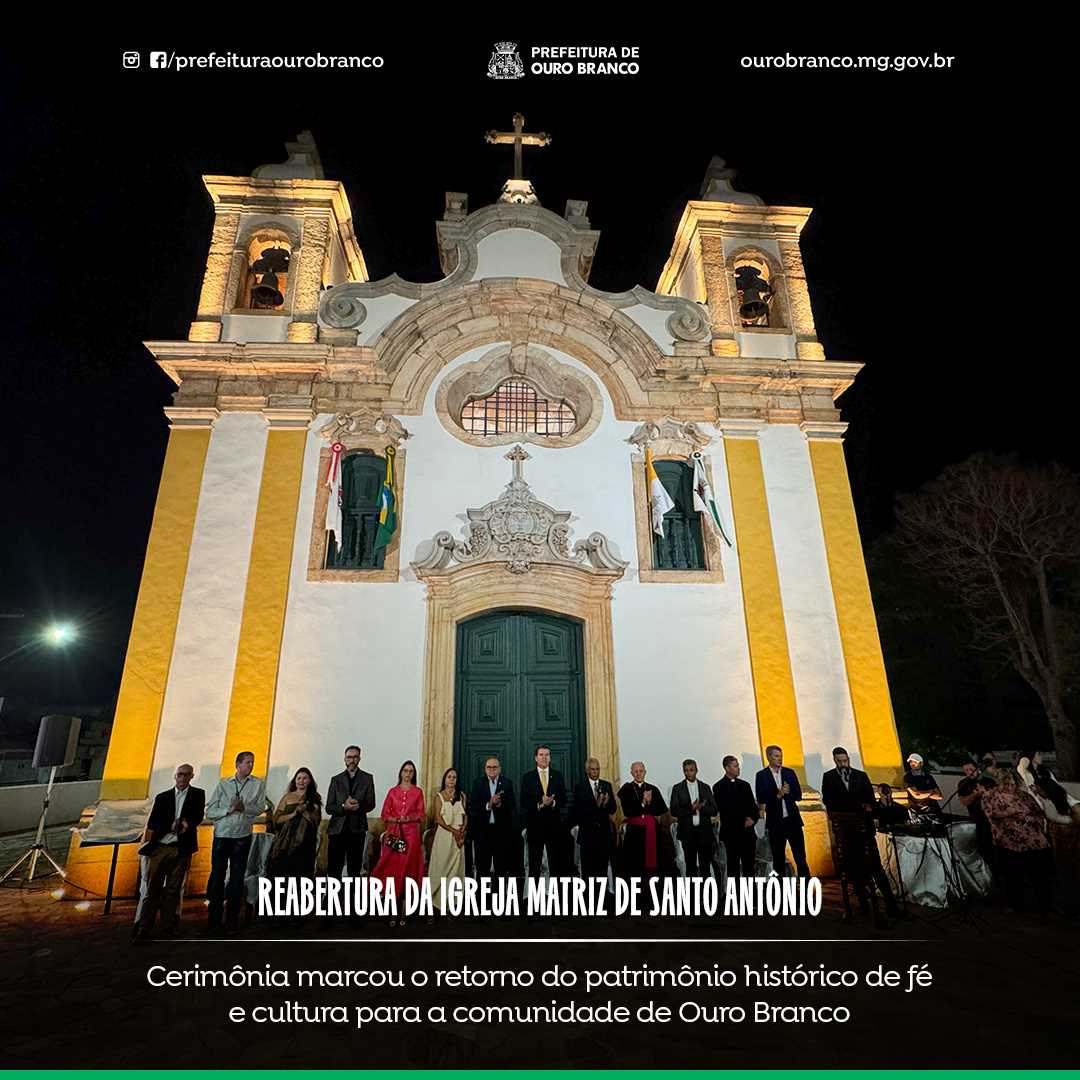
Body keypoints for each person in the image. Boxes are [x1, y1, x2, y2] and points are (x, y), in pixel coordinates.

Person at [820, 747, 899, 917]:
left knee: (875, 866)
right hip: (845, 832)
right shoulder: (829, 777)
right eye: (840, 761)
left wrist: (865, 808)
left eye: (845, 760)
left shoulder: (861, 776)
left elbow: (870, 800)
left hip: (864, 829)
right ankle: (863, 904)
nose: (843, 764)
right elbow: (828, 801)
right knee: (853, 869)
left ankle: (891, 904)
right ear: (835, 761)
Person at [132, 763, 205, 942]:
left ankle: (168, 926)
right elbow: (153, 822)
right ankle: (144, 927)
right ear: (175, 776)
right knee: (152, 889)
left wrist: (188, 824)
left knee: (173, 889)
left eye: (187, 775)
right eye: (180, 774)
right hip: (161, 847)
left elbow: (198, 816)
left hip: (182, 848)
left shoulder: (198, 794)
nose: (182, 778)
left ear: (191, 776)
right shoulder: (163, 797)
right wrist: (169, 826)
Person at [205, 750, 266, 932]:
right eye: (247, 762)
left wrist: (244, 807)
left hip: (242, 835)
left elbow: (260, 808)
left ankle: (232, 920)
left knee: (237, 878)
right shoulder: (224, 784)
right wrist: (228, 810)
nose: (250, 765)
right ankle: (214, 921)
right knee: (217, 876)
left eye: (252, 762)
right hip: (223, 835)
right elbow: (210, 811)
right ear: (237, 765)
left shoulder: (257, 784)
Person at [979, 768, 1054, 914]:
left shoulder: (1024, 796)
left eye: (1012, 784)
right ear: (999, 783)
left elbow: (1038, 814)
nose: (1010, 787)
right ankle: (1016, 906)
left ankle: (1046, 906)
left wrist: (1024, 818)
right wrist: (1008, 813)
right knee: (1013, 877)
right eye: (1006, 784)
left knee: (1040, 876)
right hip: (1009, 843)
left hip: (1034, 841)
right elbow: (991, 816)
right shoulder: (990, 796)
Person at [372, 760, 426, 926]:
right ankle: (392, 912)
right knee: (392, 872)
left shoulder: (418, 792)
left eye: (411, 771)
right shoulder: (392, 792)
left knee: (407, 873)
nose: (408, 774)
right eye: (405, 770)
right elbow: (384, 814)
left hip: (411, 836)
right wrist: (396, 819)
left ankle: (403, 912)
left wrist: (408, 818)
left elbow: (421, 813)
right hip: (394, 836)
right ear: (401, 773)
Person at [755, 745, 810, 878]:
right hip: (776, 824)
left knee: (801, 857)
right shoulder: (762, 776)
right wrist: (777, 795)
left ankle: (807, 887)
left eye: (781, 756)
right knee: (778, 859)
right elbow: (761, 798)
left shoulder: (789, 773)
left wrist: (789, 792)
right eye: (776, 756)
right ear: (768, 757)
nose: (780, 759)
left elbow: (798, 795)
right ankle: (782, 890)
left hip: (793, 821)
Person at [326, 745, 376, 879]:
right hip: (337, 830)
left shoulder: (367, 778)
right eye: (349, 757)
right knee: (334, 868)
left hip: (357, 829)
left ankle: (352, 898)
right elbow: (329, 807)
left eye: (355, 757)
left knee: (354, 868)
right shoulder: (335, 780)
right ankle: (331, 898)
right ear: (344, 759)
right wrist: (343, 806)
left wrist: (358, 806)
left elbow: (371, 804)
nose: (352, 760)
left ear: (359, 758)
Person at [521, 745, 569, 881]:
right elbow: (524, 801)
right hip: (535, 826)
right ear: (536, 758)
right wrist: (540, 804)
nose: (544, 757)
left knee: (556, 864)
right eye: (541, 755)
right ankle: (534, 898)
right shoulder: (528, 777)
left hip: (554, 827)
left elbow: (564, 799)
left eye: (547, 755)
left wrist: (552, 803)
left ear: (550, 757)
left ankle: (555, 898)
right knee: (534, 864)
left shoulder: (558, 775)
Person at [266, 767, 323, 881]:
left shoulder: (314, 798)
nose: (301, 781)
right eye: (299, 778)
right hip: (286, 840)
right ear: (294, 781)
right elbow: (277, 819)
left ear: (310, 781)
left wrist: (307, 811)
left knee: (302, 872)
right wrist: (295, 813)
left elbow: (316, 821)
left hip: (306, 841)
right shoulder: (287, 797)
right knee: (282, 870)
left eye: (304, 778)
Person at [571, 757, 617, 889]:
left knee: (602, 869)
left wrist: (606, 803)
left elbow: (613, 809)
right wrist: (596, 805)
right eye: (592, 769)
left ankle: (602, 901)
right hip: (587, 835)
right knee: (588, 870)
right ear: (587, 770)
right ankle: (589, 902)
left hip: (604, 834)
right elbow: (576, 812)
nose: (595, 772)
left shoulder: (606, 785)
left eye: (597, 769)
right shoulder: (580, 787)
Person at [469, 757, 517, 880]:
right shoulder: (478, 783)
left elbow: (512, 806)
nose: (491, 769)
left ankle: (500, 897)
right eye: (489, 767)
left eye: (494, 767)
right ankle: (482, 898)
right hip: (483, 832)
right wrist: (488, 805)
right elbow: (473, 806)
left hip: (500, 832)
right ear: (485, 769)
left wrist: (500, 804)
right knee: (482, 867)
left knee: (501, 867)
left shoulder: (507, 783)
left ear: (499, 769)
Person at [618, 761, 668, 879]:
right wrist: (642, 802)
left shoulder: (653, 789)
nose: (639, 774)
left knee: (656, 860)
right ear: (631, 773)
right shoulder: (626, 789)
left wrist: (650, 803)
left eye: (641, 771)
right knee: (635, 863)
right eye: (636, 771)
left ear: (645, 772)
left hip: (652, 831)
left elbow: (661, 809)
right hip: (634, 831)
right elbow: (627, 811)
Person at [669, 759, 718, 879]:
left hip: (704, 832)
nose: (689, 773)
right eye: (686, 771)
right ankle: (692, 895)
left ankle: (707, 894)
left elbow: (714, 810)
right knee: (690, 866)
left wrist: (701, 808)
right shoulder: (677, 788)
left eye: (691, 770)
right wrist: (691, 808)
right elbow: (674, 811)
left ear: (696, 770)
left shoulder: (705, 787)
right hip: (687, 833)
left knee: (705, 866)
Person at [712, 756, 758, 880]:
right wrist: (742, 821)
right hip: (731, 834)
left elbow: (753, 807)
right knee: (733, 867)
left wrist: (753, 819)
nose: (738, 768)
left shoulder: (745, 785)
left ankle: (750, 896)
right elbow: (726, 810)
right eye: (735, 766)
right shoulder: (718, 787)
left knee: (749, 867)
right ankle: (736, 896)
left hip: (748, 833)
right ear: (727, 768)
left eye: (738, 765)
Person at [428, 767, 468, 911]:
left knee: (456, 870)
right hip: (444, 836)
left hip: (458, 837)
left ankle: (452, 904)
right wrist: (453, 832)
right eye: (449, 777)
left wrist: (462, 830)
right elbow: (438, 819)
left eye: (454, 777)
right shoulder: (439, 796)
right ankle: (436, 902)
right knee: (441, 867)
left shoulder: (461, 796)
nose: (452, 780)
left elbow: (465, 816)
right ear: (445, 779)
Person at [1017, 750, 1079, 827]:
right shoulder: (1028, 776)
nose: (1041, 757)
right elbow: (1021, 769)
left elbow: (1057, 786)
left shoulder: (1046, 771)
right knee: (1076, 811)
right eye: (1038, 754)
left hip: (1062, 798)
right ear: (1031, 757)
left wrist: (1070, 800)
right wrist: (1025, 760)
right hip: (1050, 804)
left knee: (1077, 808)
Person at [957, 760, 995, 868]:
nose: (969, 772)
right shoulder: (963, 784)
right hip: (977, 820)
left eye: (971, 769)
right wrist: (976, 794)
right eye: (966, 770)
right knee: (982, 847)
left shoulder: (989, 781)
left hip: (993, 819)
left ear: (977, 769)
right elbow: (964, 801)